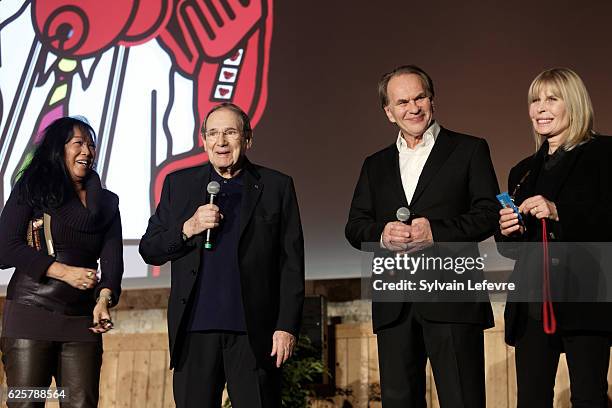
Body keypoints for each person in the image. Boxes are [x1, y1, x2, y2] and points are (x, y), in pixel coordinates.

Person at [345, 65, 499, 407]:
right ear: (388, 112)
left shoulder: (469, 149)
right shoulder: (375, 164)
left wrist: (437, 233)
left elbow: (488, 215)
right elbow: (355, 226)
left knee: (462, 398)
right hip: (394, 305)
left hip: (452, 300)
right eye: (402, 102)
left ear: (432, 100)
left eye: (420, 97)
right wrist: (382, 234)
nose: (412, 108)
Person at [139, 102, 304, 408]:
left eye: (230, 132)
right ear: (203, 141)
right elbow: (150, 249)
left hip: (254, 333)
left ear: (248, 139)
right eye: (213, 133)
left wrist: (286, 326)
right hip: (194, 331)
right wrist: (188, 227)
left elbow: (291, 264)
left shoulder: (276, 186)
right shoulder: (179, 184)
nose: (221, 142)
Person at [497, 67, 612, 407]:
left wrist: (560, 212)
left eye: (551, 98)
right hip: (533, 302)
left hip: (586, 297)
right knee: (531, 399)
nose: (540, 108)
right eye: (535, 100)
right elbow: (512, 249)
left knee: (589, 397)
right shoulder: (522, 171)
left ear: (573, 104)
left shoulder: (604, 154)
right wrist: (508, 230)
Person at [0, 116, 124, 407]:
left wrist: (104, 298)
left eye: (91, 145)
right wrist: (63, 272)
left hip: (81, 321)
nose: (87, 151)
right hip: (31, 313)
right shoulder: (33, 188)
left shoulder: (107, 203)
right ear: (59, 148)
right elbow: (5, 248)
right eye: (78, 143)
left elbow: (113, 261)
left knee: (79, 403)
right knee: (27, 402)